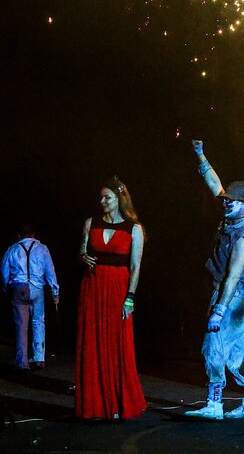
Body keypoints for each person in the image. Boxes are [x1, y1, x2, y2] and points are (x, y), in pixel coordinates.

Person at [185, 140, 244, 420]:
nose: (227, 201)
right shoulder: (234, 219)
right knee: (241, 346)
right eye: (228, 199)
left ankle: (214, 403)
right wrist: (201, 155)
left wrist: (219, 310)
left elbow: (233, 276)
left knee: (213, 344)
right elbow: (215, 185)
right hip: (233, 294)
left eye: (233, 200)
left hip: (231, 295)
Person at [75, 177, 147, 420]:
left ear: (119, 199)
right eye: (101, 197)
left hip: (118, 290)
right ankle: (95, 405)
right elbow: (82, 250)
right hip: (92, 287)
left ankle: (118, 403)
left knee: (118, 344)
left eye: (107, 197)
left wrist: (130, 299)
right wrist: (83, 256)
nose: (102, 201)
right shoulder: (91, 223)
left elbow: (135, 267)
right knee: (92, 343)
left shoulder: (133, 229)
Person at [2, 223, 59, 370]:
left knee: (21, 326)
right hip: (37, 288)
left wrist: (6, 286)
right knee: (38, 322)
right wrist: (55, 292)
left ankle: (22, 362)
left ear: (19, 236)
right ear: (33, 234)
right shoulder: (42, 248)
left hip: (19, 288)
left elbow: (4, 270)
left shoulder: (13, 249)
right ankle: (39, 358)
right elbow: (50, 270)